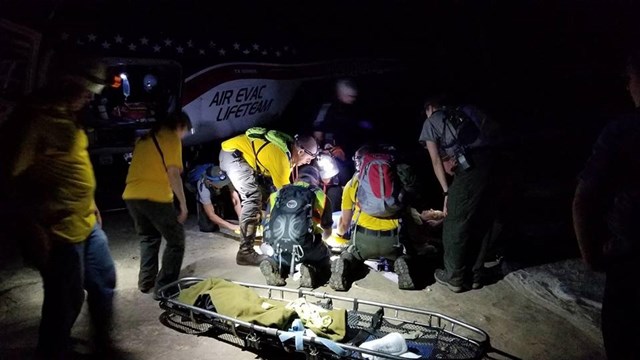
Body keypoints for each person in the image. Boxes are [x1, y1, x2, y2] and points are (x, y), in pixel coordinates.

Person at [0, 56, 117, 358]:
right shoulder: (34, 120)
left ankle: (102, 343)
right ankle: (52, 349)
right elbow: (10, 180)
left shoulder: (69, 116)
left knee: (104, 279)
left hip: (86, 221)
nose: (89, 97)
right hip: (58, 230)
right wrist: (32, 229)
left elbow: (75, 164)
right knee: (66, 297)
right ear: (65, 83)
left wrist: (91, 203)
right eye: (85, 90)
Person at [572, 50, 640, 360]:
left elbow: (585, 198)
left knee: (624, 340)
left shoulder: (625, 130)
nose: (627, 87)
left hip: (631, 263)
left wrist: (591, 255)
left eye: (630, 78)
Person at [419, 96, 500, 292]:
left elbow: (436, 160)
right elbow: (494, 130)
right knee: (481, 219)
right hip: (493, 163)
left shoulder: (431, 121)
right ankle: (475, 276)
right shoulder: (468, 108)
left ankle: (454, 276)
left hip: (470, 168)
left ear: (429, 107)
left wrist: (447, 192)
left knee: (455, 221)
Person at [219, 131, 318, 266]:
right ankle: (245, 253)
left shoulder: (289, 154)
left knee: (268, 194)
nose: (310, 161)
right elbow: (286, 196)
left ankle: (265, 234)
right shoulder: (281, 157)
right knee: (253, 197)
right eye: (310, 157)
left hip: (246, 158)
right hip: (232, 155)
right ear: (300, 151)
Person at [122, 111, 191, 296]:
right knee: (176, 241)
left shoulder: (144, 140)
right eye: (186, 130)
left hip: (131, 196)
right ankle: (165, 287)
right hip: (155, 197)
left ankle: (146, 281)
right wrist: (183, 204)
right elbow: (173, 173)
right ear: (180, 126)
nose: (184, 135)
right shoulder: (171, 138)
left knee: (149, 237)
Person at [329, 145, 415, 291]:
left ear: (360, 161)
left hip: (364, 240)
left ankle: (346, 262)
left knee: (351, 253)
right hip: (393, 240)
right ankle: (402, 260)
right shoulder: (396, 178)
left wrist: (338, 235)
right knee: (408, 253)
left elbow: (344, 224)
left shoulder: (353, 183)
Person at [259, 165, 333, 288]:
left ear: (297, 178)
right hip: (305, 250)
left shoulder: (277, 194)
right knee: (325, 257)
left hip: (278, 249)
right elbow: (327, 231)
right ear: (316, 181)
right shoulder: (321, 197)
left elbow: (266, 224)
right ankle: (310, 268)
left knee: (278, 256)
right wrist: (324, 242)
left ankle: (273, 264)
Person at [312, 78, 371, 185]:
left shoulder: (356, 109)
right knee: (334, 180)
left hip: (351, 153)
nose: (352, 99)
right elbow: (318, 132)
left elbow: (361, 130)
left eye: (354, 97)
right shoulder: (327, 109)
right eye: (350, 96)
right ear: (340, 94)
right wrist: (322, 152)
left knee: (351, 180)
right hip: (332, 153)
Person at [194, 165, 241, 233]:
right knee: (208, 227)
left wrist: (242, 219)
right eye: (220, 183)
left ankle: (223, 213)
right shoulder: (203, 187)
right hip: (205, 190)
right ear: (209, 181)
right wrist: (233, 227)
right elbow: (211, 215)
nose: (223, 184)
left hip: (216, 189)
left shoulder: (225, 177)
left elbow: (236, 200)